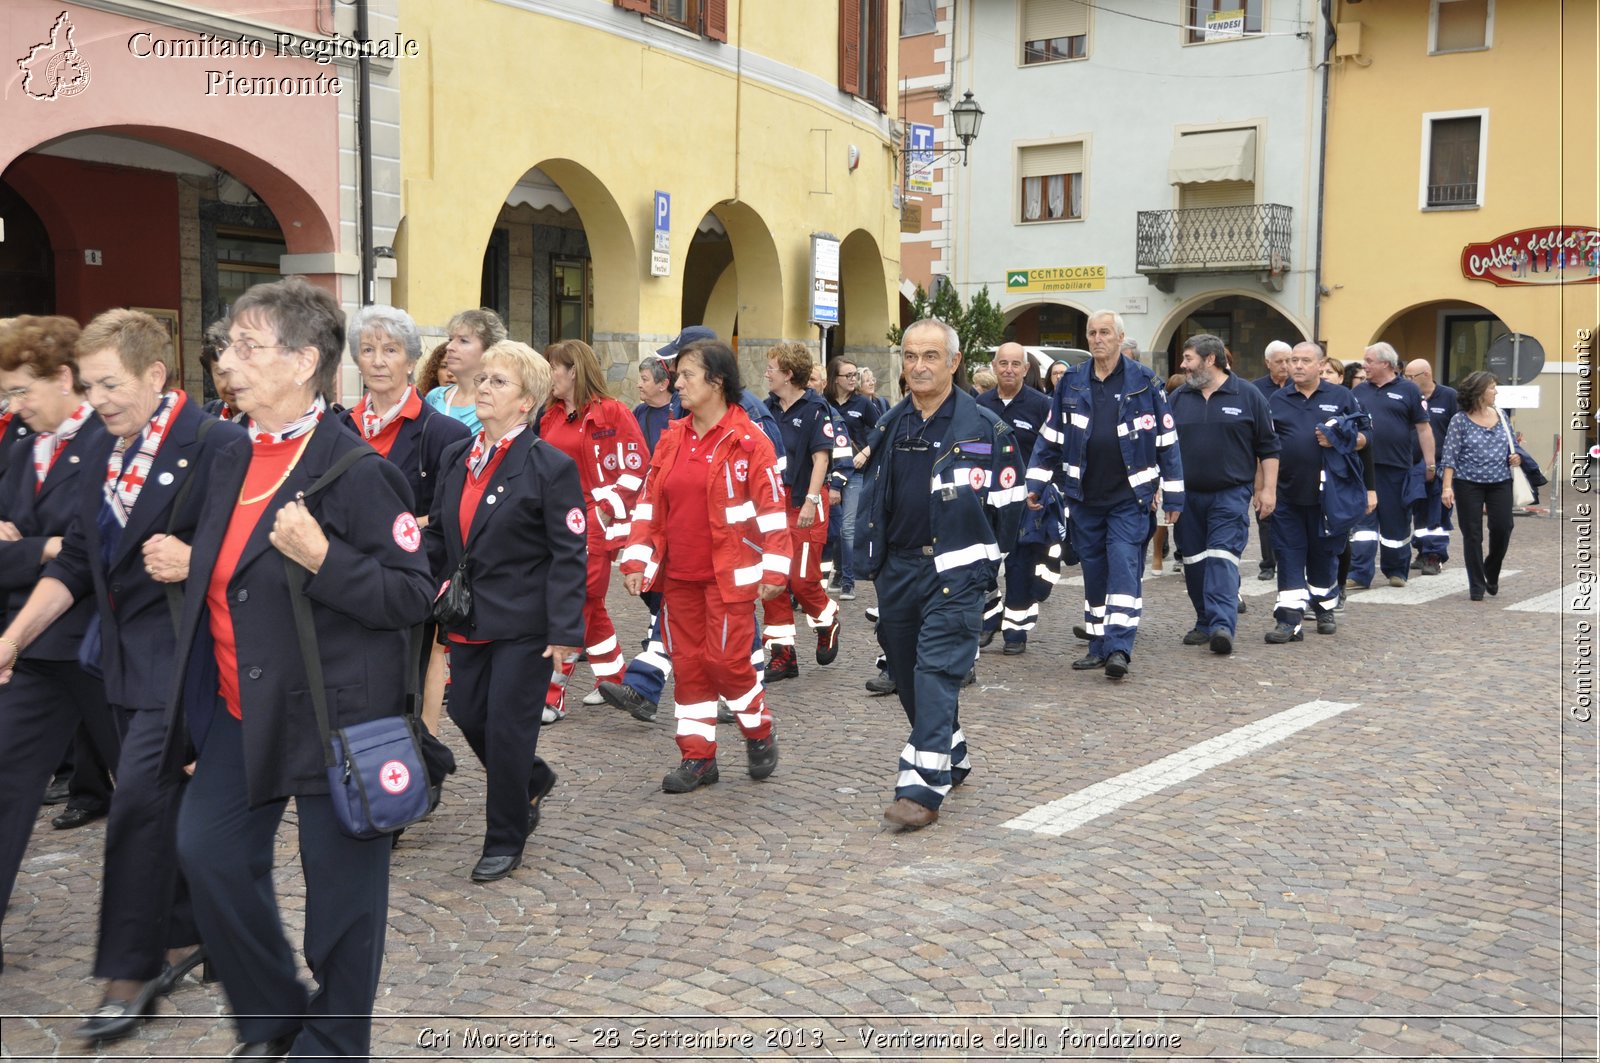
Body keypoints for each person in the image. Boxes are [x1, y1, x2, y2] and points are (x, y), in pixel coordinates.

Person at [145, 278, 433, 1059]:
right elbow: (231, 569)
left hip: (338, 719)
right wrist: (186, 560)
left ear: (305, 361)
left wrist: (326, 558)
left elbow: (413, 593)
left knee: (341, 906)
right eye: (227, 345)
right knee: (207, 853)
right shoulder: (227, 451)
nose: (225, 360)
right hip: (244, 711)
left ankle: (334, 1045)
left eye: (247, 346)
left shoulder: (355, 469)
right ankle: (274, 1015)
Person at [0, 309, 243, 1038]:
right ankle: (191, 928)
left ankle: (127, 974)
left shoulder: (215, 443)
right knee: (154, 798)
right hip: (122, 661)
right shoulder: (102, 449)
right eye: (91, 384)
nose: (99, 399)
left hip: (190, 661)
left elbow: (251, 550)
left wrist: (195, 560)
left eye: (111, 384)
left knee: (136, 798)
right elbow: (77, 560)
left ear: (155, 376)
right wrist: (11, 639)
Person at [425, 340, 585, 881]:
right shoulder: (458, 456)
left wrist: (566, 630)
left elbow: (569, 553)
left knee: (509, 730)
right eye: (484, 378)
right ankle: (532, 778)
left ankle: (504, 836)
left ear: (527, 402)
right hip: (468, 616)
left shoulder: (550, 467)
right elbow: (444, 540)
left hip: (525, 624)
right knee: (468, 714)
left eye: (499, 382)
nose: (485, 388)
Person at [856, 319, 1023, 830]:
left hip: (957, 573)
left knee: (936, 672)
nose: (919, 366)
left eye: (930, 356)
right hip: (899, 568)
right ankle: (952, 751)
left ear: (953, 362)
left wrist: (983, 565)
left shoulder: (988, 429)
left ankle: (920, 789)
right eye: (910, 356)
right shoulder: (890, 424)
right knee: (906, 674)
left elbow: (1010, 509)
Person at [0, 316, 123, 977]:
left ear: (63, 379)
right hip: (38, 651)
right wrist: (34, 548)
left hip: (103, 646)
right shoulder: (23, 446)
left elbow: (87, 550)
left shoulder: (110, 440)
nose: (14, 406)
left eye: (22, 390)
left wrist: (29, 546)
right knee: (3, 777)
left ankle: (193, 927)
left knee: (146, 786)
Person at [595, 327, 786, 727]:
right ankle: (692, 747)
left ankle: (754, 717)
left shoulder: (749, 427)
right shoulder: (677, 429)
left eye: (685, 372)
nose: (676, 381)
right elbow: (652, 501)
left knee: (727, 658)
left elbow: (771, 499)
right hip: (684, 568)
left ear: (716, 379)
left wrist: (773, 565)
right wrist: (638, 558)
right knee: (688, 659)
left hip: (730, 569)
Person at [338, 306, 471, 738]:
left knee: (408, 686)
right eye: (368, 350)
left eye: (390, 349)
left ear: (411, 360)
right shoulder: (340, 428)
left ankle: (417, 766)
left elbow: (451, 516)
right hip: (346, 581)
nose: (378, 360)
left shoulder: (443, 432)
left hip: (411, 582)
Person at [1028, 311, 1183, 680]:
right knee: (1094, 571)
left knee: (1124, 566)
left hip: (1130, 498)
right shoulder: (1073, 383)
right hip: (1084, 497)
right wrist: (1035, 483)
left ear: (1120, 337)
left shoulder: (1145, 382)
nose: (1098, 339)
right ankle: (1097, 644)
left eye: (1105, 333)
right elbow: (1051, 437)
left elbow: (1167, 442)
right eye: (1092, 333)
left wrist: (1174, 497)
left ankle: (1119, 646)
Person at [537, 339, 646, 720]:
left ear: (574, 371)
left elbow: (636, 467)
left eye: (554, 367)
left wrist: (603, 512)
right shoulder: (549, 417)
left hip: (592, 523)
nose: (549, 374)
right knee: (591, 605)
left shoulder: (613, 413)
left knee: (575, 600)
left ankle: (552, 693)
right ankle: (615, 679)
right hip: (554, 523)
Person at [1167, 334, 1279, 655]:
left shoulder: (1248, 395)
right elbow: (1162, 445)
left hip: (1230, 493)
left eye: (1188, 358)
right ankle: (1204, 621)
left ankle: (1221, 625)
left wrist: (1267, 489)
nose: (1183, 365)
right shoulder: (1177, 399)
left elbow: (1269, 447)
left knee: (1221, 557)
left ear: (1210, 360)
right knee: (1194, 560)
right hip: (1187, 497)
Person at [1266, 342, 1371, 642]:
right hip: (1288, 493)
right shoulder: (1278, 398)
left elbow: (1367, 436)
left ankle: (1324, 606)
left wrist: (1343, 440)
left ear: (1319, 364)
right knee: (1287, 554)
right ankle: (1288, 619)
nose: (1296, 366)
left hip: (1330, 495)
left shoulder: (1341, 396)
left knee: (1324, 555)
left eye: (1303, 361)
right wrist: (1265, 488)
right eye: (1292, 360)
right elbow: (1266, 444)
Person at [760, 343, 841, 681]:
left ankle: (827, 618)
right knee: (773, 578)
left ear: (788, 374)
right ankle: (782, 655)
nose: (767, 373)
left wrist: (810, 500)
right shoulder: (765, 409)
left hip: (805, 500)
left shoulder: (815, 408)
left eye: (772, 368)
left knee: (802, 579)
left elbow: (821, 458)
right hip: (772, 502)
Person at [976, 342, 1054, 654]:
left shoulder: (1042, 406)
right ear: (994, 367)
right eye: (1003, 363)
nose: (1009, 369)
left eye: (1015, 364)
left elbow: (1052, 453)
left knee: (1021, 566)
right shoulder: (979, 404)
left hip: (1026, 501)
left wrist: (1044, 488)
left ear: (1025, 369)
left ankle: (1016, 632)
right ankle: (988, 621)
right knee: (983, 565)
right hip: (986, 502)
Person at [1349, 342, 1434, 590]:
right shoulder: (1358, 392)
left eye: (1369, 360)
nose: (1364, 365)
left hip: (1396, 468)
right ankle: (1359, 573)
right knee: (1363, 525)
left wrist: (1430, 464)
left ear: (1385, 363)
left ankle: (1396, 571)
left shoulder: (1408, 390)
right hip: (1363, 468)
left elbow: (1423, 428)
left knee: (1395, 522)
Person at [1440, 371, 1519, 601]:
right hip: (1468, 484)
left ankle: (1490, 572)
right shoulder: (1460, 420)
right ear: (1479, 392)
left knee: (1503, 528)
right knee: (1472, 535)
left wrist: (1516, 458)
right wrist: (1447, 487)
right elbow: (1449, 456)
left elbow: (1513, 447)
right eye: (1492, 387)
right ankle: (1476, 584)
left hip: (1500, 481)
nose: (1496, 391)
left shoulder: (1501, 415)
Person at [823, 357, 876, 600]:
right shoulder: (824, 403)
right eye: (849, 375)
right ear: (835, 379)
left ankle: (848, 580)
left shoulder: (863, 404)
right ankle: (835, 572)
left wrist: (865, 453)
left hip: (855, 471)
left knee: (847, 527)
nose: (854, 379)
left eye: (855, 374)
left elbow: (880, 432)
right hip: (828, 473)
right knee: (833, 528)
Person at [1404, 358, 1458, 575]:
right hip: (1412, 465)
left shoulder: (1449, 396)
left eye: (1410, 377)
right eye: (1405, 376)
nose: (1406, 381)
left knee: (1438, 512)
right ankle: (1421, 550)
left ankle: (1435, 555)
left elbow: (1457, 430)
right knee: (1418, 510)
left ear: (1426, 374)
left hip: (1440, 465)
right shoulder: (1408, 396)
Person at [425, 308, 507, 434]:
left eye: (463, 341)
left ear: (489, 349)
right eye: (450, 339)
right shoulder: (434, 397)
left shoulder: (499, 401)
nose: (449, 347)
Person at [633, 355, 676, 454]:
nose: (639, 385)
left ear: (663, 385)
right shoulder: (639, 411)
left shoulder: (680, 411)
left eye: (644, 380)